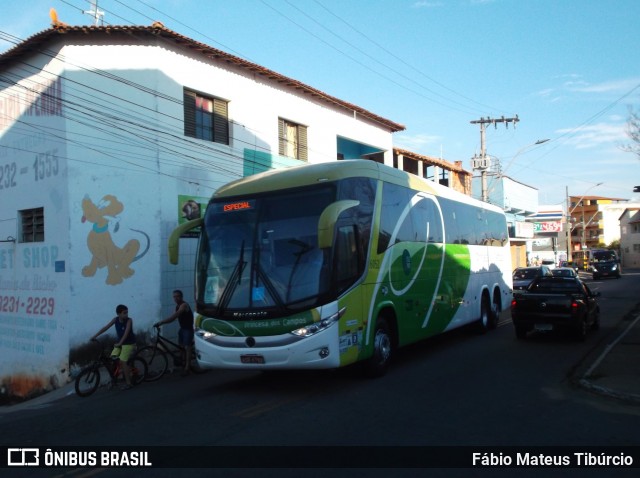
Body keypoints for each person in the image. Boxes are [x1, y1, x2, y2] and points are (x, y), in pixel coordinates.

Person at [91, 304, 137, 390]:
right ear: (118, 314)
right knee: (113, 358)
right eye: (124, 313)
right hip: (120, 343)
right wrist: (95, 336)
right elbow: (105, 328)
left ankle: (128, 383)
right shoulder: (115, 320)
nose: (126, 314)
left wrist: (120, 343)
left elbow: (126, 333)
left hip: (129, 343)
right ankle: (114, 380)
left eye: (127, 312)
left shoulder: (129, 320)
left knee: (123, 361)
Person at [154, 290, 194, 376]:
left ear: (181, 297)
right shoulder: (177, 306)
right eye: (174, 296)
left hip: (188, 329)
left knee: (187, 347)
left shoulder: (184, 305)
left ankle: (187, 367)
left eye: (177, 296)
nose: (175, 298)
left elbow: (174, 317)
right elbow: (175, 318)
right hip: (182, 329)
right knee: (181, 347)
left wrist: (161, 322)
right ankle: (183, 363)